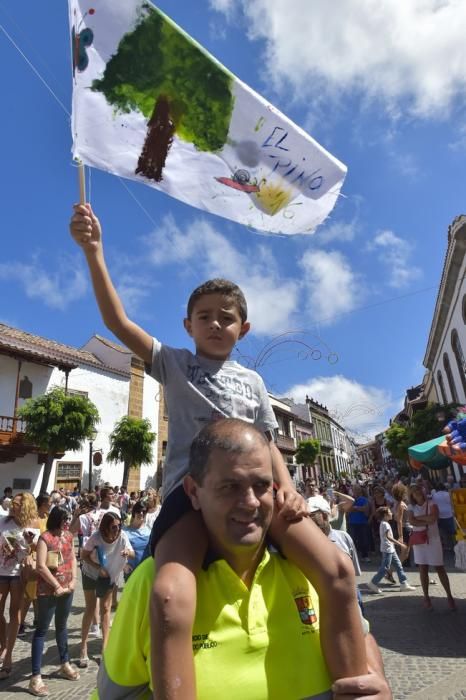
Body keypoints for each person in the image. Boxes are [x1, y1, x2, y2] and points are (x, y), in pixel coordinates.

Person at [70, 205, 368, 697]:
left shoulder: (253, 381)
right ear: (187, 325)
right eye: (204, 317)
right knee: (168, 596)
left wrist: (288, 490)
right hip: (190, 499)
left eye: (225, 318)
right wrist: (93, 251)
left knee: (336, 569)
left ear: (243, 329)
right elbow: (117, 321)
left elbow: (269, 444)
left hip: (258, 493)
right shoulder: (173, 364)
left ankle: (358, 681)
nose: (215, 324)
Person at [93, 419, 391, 699]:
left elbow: (363, 635)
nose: (250, 502)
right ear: (193, 491)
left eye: (261, 485)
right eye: (229, 486)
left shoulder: (309, 566)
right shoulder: (152, 583)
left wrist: (374, 678)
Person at [29, 506, 79, 696]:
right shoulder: (45, 538)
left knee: (62, 626)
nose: (67, 522)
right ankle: (35, 677)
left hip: (67, 588)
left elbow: (73, 558)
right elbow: (41, 566)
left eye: (68, 519)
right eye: (65, 519)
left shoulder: (68, 536)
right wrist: (56, 585)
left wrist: (73, 580)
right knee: (42, 630)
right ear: (56, 519)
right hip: (48, 591)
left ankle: (64, 663)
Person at [80, 512, 134, 665]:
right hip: (91, 574)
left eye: (119, 526)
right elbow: (84, 556)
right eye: (113, 527)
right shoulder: (96, 537)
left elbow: (132, 553)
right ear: (105, 527)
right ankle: (83, 646)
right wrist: (98, 568)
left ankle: (105, 648)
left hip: (109, 575)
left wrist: (127, 552)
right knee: (90, 609)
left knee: (106, 609)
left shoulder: (122, 536)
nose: (117, 530)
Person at [0, 492, 40, 679]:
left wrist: (31, 545)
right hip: (0, 571)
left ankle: (8, 656)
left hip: (18, 574)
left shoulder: (33, 524)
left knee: (14, 613)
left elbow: (36, 550)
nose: (12, 506)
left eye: (16, 504)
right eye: (12, 503)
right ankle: (3, 645)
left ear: (24, 506)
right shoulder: (4, 521)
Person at [408, 485, 456, 611]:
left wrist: (418, 519)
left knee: (440, 567)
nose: (417, 493)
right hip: (419, 541)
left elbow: (433, 518)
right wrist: (425, 520)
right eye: (414, 492)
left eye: (418, 490)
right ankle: (426, 597)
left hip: (433, 539)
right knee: (423, 568)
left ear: (422, 491)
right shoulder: (411, 507)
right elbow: (411, 521)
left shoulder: (432, 503)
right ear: (411, 495)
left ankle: (449, 596)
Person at [19, 492, 51, 637]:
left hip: (40, 556)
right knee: (28, 595)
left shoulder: (46, 518)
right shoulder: (34, 520)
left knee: (36, 594)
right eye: (48, 502)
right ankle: (19, 623)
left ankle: (38, 619)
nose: (50, 504)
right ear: (42, 504)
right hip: (31, 558)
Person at [367, 507, 415, 595]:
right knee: (385, 568)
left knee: (398, 565)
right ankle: (373, 583)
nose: (391, 513)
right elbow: (388, 537)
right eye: (389, 512)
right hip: (388, 549)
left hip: (390, 549)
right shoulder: (385, 524)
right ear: (385, 515)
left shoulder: (385, 523)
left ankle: (404, 584)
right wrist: (400, 544)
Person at [123, 501, 151, 580]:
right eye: (139, 511)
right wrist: (124, 566)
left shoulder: (150, 530)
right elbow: (117, 551)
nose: (141, 513)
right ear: (134, 513)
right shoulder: (124, 532)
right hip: (131, 572)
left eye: (144, 511)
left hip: (147, 571)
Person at [348, 485, 371, 562]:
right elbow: (348, 510)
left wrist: (355, 508)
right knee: (352, 540)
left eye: (356, 490)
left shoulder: (364, 499)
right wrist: (359, 508)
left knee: (363, 540)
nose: (354, 492)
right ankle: (352, 557)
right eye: (353, 490)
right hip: (352, 522)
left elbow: (366, 510)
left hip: (362, 522)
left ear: (360, 491)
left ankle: (365, 556)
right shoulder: (350, 500)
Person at [431, 482, 456, 550]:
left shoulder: (434, 495)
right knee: (453, 532)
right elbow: (452, 503)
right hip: (449, 514)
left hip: (440, 516)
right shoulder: (447, 494)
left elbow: (434, 505)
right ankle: (455, 544)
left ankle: (448, 546)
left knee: (444, 532)